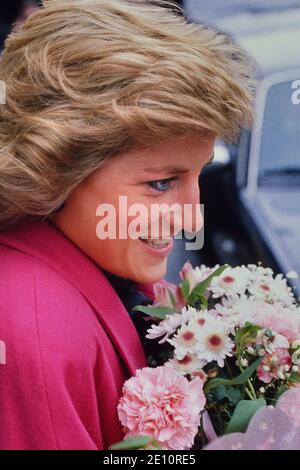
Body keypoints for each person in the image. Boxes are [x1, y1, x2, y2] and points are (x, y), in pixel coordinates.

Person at [0, 0, 255, 450]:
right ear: (56, 166)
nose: (191, 215)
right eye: (160, 183)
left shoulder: (94, 260)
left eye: (198, 174)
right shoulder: (36, 327)